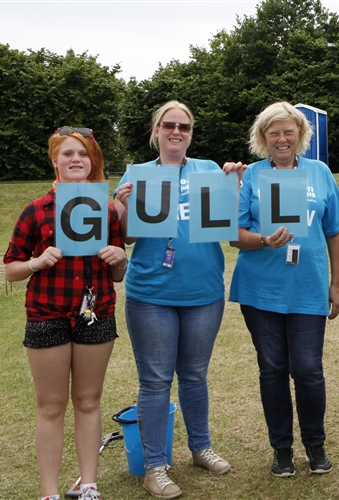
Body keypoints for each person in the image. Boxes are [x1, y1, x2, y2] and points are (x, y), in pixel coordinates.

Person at [113, 101, 243, 499]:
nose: (176, 132)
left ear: (190, 131)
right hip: (151, 293)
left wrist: (232, 186)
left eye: (183, 126)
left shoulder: (208, 169)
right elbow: (128, 237)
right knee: (155, 381)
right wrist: (120, 205)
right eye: (168, 125)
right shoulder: (136, 174)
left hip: (203, 291)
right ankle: (155, 467)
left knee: (195, 374)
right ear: (156, 130)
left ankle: (200, 447)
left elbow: (229, 227)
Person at [227, 101, 339, 478]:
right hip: (260, 289)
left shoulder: (320, 172)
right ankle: (281, 448)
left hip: (309, 286)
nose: (282, 138)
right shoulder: (251, 177)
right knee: (273, 370)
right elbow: (234, 236)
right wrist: (265, 240)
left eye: (288, 131)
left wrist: (337, 284)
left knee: (309, 370)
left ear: (300, 134)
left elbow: (336, 230)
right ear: (263, 138)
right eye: (273, 132)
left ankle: (315, 444)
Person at [4, 127, 128, 500]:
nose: (76, 159)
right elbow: (10, 268)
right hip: (46, 314)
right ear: (55, 160)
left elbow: (117, 273)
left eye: (84, 154)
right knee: (51, 405)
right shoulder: (36, 210)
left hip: (96, 313)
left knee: (89, 401)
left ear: (92, 163)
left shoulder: (106, 210)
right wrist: (36, 262)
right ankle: (49, 493)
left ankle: (89, 485)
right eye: (68, 153)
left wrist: (121, 259)